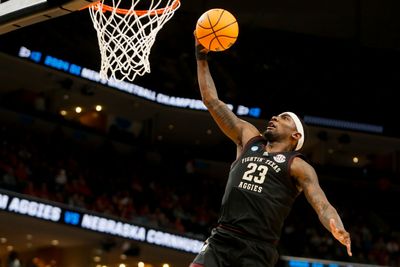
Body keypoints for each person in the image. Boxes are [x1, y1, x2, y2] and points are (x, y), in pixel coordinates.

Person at [190, 33, 352, 267]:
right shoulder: (248, 139)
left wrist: (335, 225)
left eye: (284, 118)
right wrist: (201, 56)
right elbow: (212, 101)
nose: (275, 117)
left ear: (296, 136)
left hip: (257, 249)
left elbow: (322, 205)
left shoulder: (297, 165)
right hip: (221, 239)